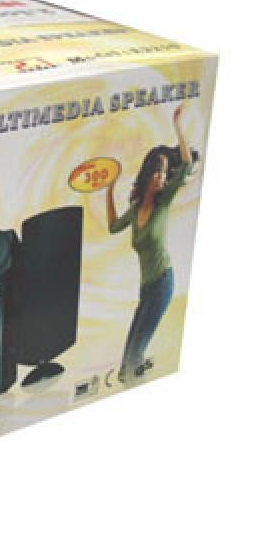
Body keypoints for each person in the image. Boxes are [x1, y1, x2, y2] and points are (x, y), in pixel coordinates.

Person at [106, 104, 194, 382]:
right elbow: (112, 227)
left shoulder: (162, 203)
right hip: (146, 289)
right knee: (128, 355)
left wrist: (177, 126)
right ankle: (131, 379)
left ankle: (138, 379)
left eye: (166, 173)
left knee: (136, 351)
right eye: (159, 171)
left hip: (162, 283)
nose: (163, 177)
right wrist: (109, 189)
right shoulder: (135, 211)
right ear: (148, 173)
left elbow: (186, 166)